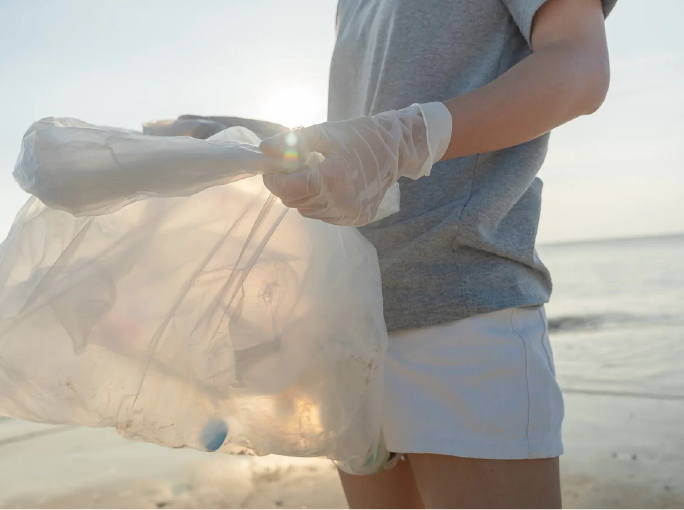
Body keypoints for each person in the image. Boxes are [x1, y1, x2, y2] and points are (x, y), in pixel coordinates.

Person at [158, 0, 616, 507]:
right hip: (352, 321)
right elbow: (366, 134)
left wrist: (405, 140)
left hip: (462, 312)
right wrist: (247, 137)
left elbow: (581, 65)